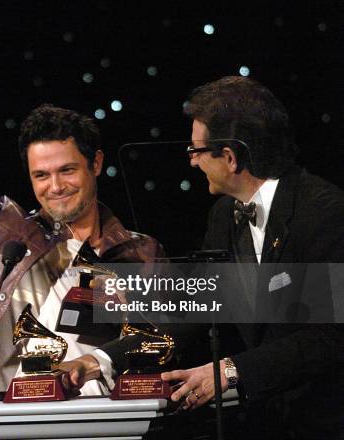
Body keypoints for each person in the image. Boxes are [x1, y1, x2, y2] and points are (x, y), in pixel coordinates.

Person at [67, 76, 344, 439]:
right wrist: (102, 359)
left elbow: (330, 336)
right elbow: (192, 312)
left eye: (196, 150)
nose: (192, 161)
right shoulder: (224, 215)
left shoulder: (323, 211)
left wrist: (230, 371)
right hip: (270, 422)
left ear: (229, 157)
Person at [0, 86, 163, 397]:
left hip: (106, 417)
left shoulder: (142, 252)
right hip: (12, 414)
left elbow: (159, 343)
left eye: (67, 170)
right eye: (41, 175)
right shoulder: (9, 235)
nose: (56, 187)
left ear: (96, 164)